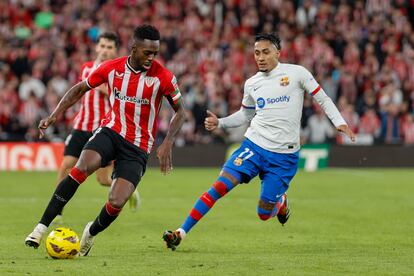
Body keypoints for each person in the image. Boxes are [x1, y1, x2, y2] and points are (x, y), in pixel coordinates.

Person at [163, 33, 355, 251]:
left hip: (284, 157)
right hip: (254, 146)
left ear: (278, 53)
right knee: (220, 186)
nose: (260, 57)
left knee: (264, 213)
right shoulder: (252, 84)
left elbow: (322, 98)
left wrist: (339, 121)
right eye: (256, 53)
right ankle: (181, 232)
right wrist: (221, 122)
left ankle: (280, 203)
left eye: (265, 52)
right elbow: (245, 115)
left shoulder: (296, 73)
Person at [25, 24, 186, 256]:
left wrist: (168, 140)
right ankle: (40, 228)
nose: (152, 58)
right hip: (111, 131)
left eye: (155, 53)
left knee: (116, 201)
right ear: (134, 48)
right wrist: (53, 116)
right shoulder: (112, 68)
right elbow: (79, 89)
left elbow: (181, 111)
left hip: (138, 147)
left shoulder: (164, 77)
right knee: (80, 167)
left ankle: (90, 232)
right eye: (147, 53)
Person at [54, 32, 140, 224]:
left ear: (116, 50)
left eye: (109, 47)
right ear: (96, 47)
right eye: (102, 46)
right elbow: (83, 89)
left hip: (103, 131)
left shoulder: (119, 72)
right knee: (66, 165)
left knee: (102, 180)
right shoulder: (86, 68)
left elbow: (114, 93)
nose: (104, 50)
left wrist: (102, 86)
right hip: (82, 125)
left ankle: (130, 190)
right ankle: (57, 210)